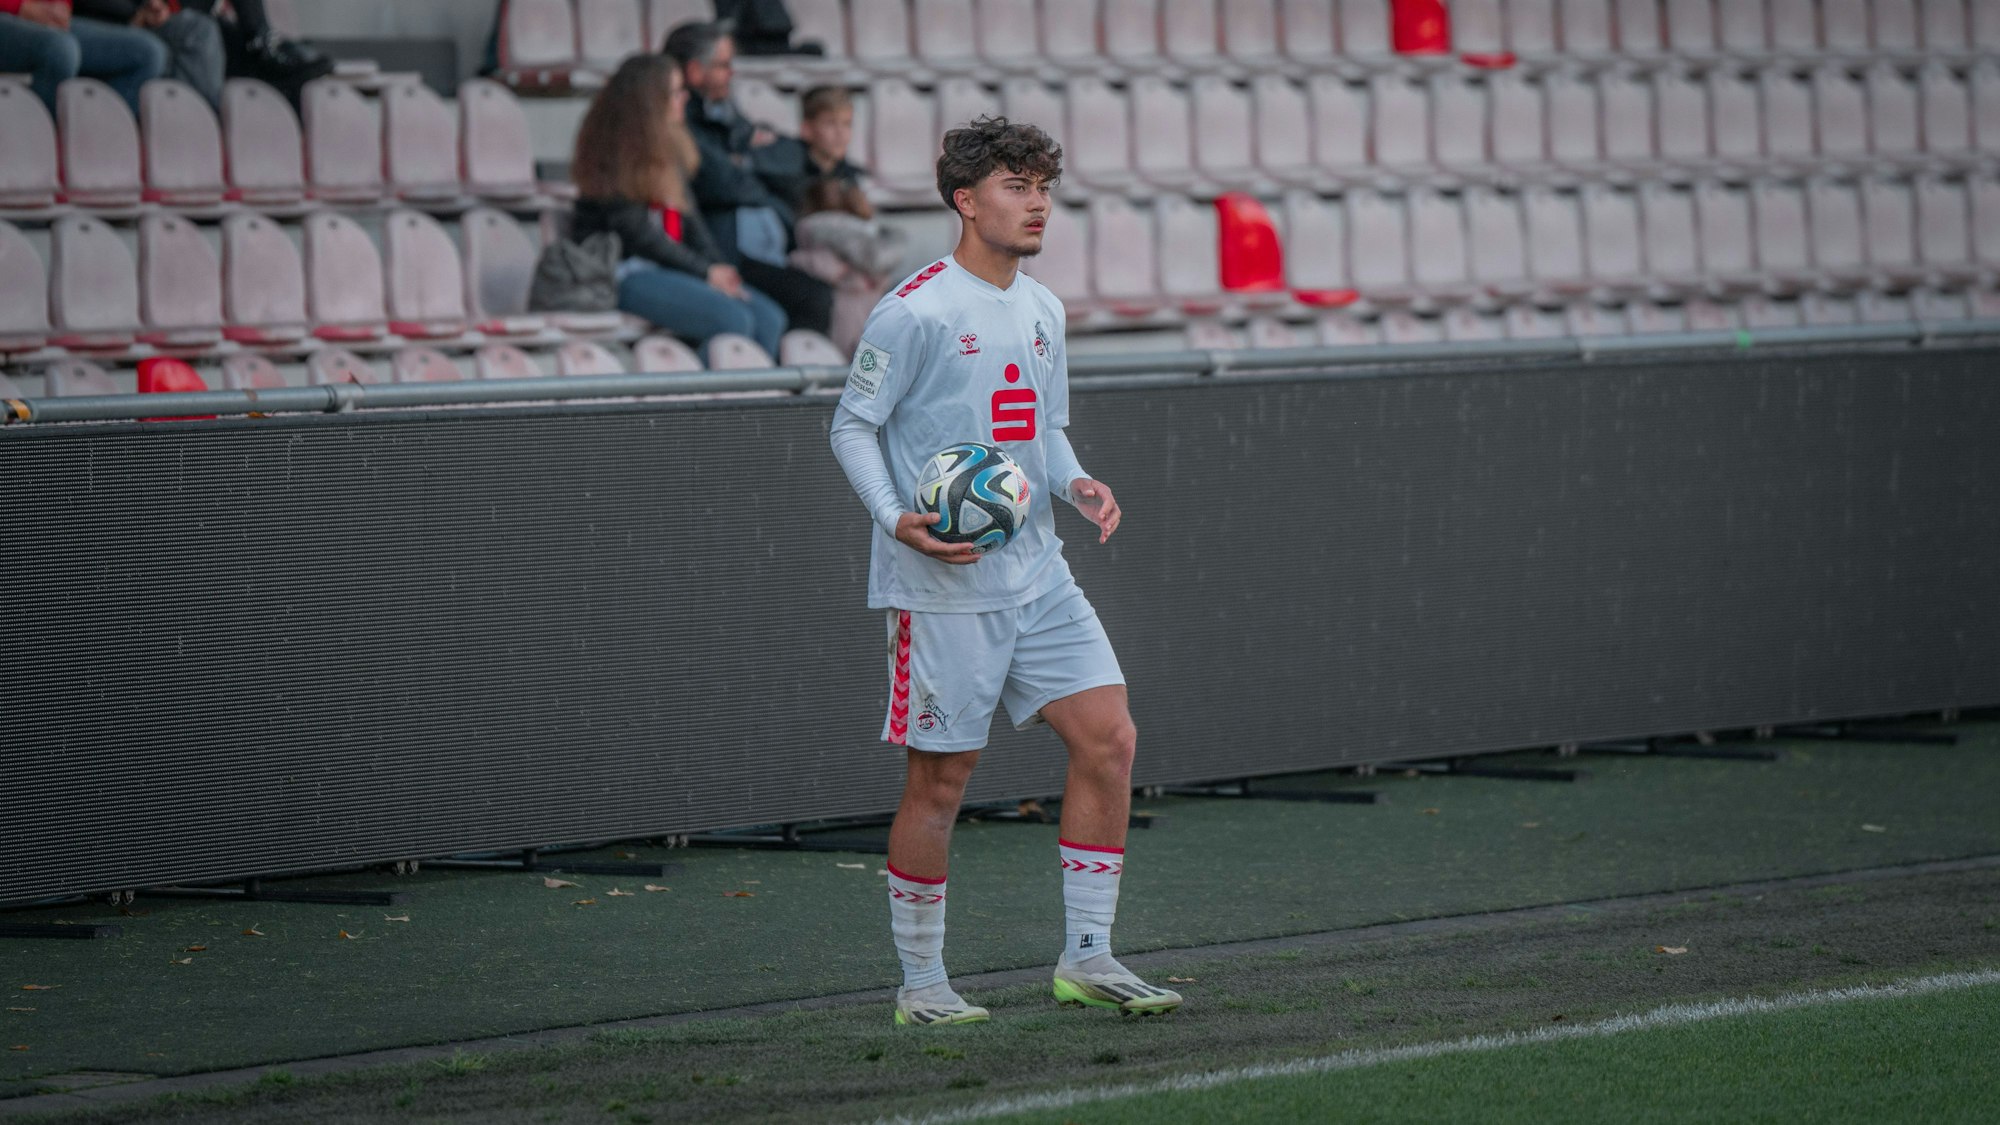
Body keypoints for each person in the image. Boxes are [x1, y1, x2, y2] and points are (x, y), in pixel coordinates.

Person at [827, 116, 1182, 1027]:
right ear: (965, 199)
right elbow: (851, 425)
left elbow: (1044, 430)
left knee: (1111, 738)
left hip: (1039, 573)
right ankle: (921, 984)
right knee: (940, 783)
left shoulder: (1043, 307)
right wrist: (895, 517)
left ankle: (1089, 957)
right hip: (943, 586)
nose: (1037, 206)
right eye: (1017, 188)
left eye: (1044, 188)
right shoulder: (914, 309)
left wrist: (1077, 481)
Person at [569, 54, 786, 362]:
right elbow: (640, 237)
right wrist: (704, 271)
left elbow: (692, 224)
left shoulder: (668, 151)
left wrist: (719, 269)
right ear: (650, 102)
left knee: (769, 318)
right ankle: (707, 407)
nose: (684, 98)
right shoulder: (613, 156)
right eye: (675, 91)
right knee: (732, 320)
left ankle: (761, 403)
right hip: (623, 273)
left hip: (671, 268)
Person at [661, 20, 835, 339]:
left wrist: (743, 162)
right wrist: (745, 163)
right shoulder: (679, 122)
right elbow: (721, 181)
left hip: (762, 248)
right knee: (811, 297)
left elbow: (791, 157)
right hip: (722, 253)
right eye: (723, 65)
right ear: (696, 71)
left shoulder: (724, 111)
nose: (732, 74)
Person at [0, 0, 166, 114]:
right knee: (60, 50)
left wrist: (59, 8)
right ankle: (32, 146)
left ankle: (88, 148)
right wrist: (20, 6)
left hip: (45, 18)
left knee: (149, 54)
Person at [74, 0, 224, 108]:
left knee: (203, 28)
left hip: (147, 16)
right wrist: (138, 9)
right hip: (97, 16)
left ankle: (195, 122)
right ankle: (199, 122)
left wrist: (161, 6)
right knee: (154, 53)